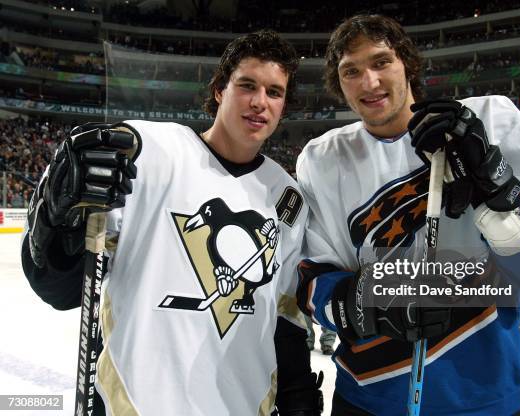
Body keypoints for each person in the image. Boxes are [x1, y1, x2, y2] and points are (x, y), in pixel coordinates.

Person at [295, 15, 520, 416]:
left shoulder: (489, 121)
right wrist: (366, 304)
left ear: (408, 64)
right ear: (339, 84)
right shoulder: (321, 159)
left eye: (381, 62)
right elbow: (313, 278)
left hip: (488, 396)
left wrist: (498, 189)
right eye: (351, 71)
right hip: (370, 397)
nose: (369, 82)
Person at [22, 30, 322, 415]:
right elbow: (58, 289)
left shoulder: (286, 197)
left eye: (274, 92)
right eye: (247, 85)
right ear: (219, 90)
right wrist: (58, 223)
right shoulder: (144, 153)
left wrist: (297, 396)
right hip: (133, 404)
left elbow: (282, 318)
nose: (259, 102)